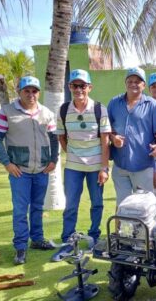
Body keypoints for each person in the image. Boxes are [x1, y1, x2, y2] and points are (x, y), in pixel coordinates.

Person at [0, 76, 58, 265]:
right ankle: (21, 247)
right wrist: (6, 163)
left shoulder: (46, 113)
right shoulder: (7, 112)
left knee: (37, 207)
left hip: (42, 170)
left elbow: (53, 139)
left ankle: (37, 240)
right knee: (21, 210)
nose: (31, 94)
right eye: (26, 91)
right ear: (19, 92)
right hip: (19, 171)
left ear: (39, 92)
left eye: (34, 91)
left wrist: (53, 160)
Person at [51, 69, 111, 262]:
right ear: (69, 87)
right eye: (74, 86)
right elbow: (61, 136)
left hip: (96, 167)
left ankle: (94, 236)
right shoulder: (63, 109)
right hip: (73, 167)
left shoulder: (99, 109)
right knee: (71, 205)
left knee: (97, 203)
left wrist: (104, 168)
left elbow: (105, 141)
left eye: (82, 86)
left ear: (89, 87)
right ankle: (68, 241)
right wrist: (73, 154)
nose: (78, 89)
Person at [107, 67, 156, 205]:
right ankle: (120, 228)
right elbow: (107, 129)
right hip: (120, 166)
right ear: (126, 83)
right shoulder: (113, 103)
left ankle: (144, 228)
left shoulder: (152, 105)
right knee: (122, 206)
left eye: (138, 81)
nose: (134, 84)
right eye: (130, 81)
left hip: (143, 165)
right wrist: (113, 138)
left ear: (144, 85)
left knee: (144, 206)